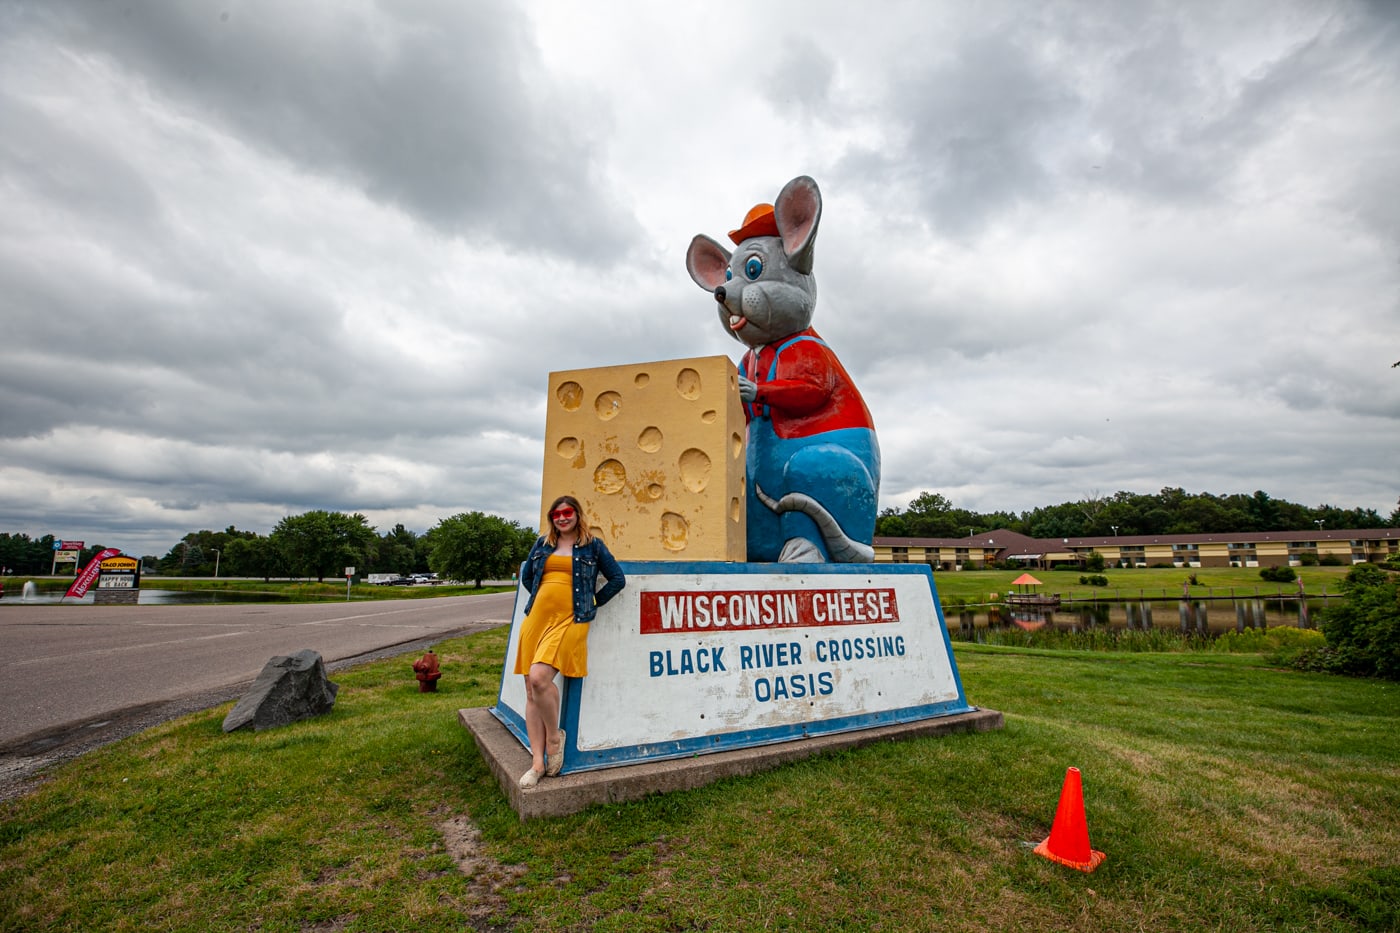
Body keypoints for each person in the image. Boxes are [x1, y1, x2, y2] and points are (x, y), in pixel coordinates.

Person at [514, 494, 625, 788]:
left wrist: (592, 603)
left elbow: (617, 579)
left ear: (577, 514)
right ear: (552, 518)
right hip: (537, 619)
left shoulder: (593, 546)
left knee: (540, 678)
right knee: (530, 688)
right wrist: (542, 600)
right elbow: (528, 578)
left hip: (571, 620)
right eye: (556, 514)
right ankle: (537, 763)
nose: (562, 518)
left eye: (567, 513)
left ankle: (554, 738)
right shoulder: (542, 544)